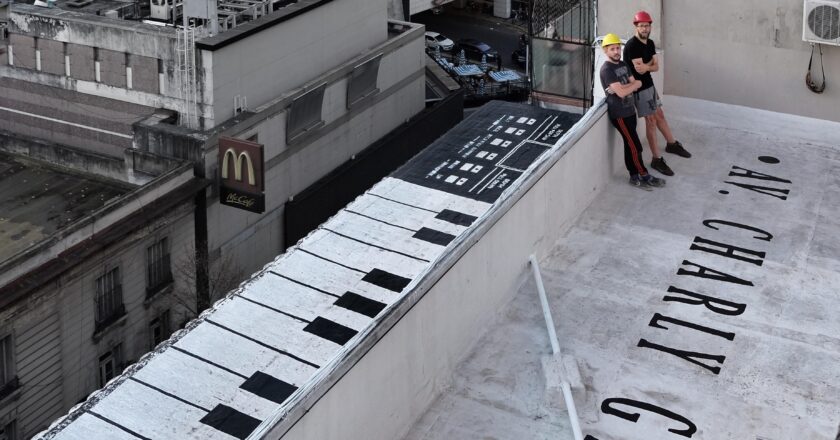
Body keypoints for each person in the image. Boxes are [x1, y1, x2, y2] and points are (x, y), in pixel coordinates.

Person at [623, 10, 690, 177]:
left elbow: (655, 67)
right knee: (651, 121)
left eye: (647, 25)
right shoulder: (632, 46)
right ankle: (656, 159)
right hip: (639, 88)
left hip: (649, 85)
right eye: (642, 26)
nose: (645, 28)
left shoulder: (650, 43)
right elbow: (640, 69)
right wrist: (648, 66)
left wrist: (648, 67)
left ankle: (672, 144)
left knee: (660, 115)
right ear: (636, 27)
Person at [600, 33, 665, 190]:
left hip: (630, 109)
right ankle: (644, 175)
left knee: (630, 145)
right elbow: (623, 92)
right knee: (635, 146)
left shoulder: (622, 64)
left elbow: (636, 82)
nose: (616, 51)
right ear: (605, 51)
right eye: (612, 49)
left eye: (617, 48)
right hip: (619, 114)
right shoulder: (607, 69)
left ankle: (634, 176)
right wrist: (630, 87)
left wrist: (627, 87)